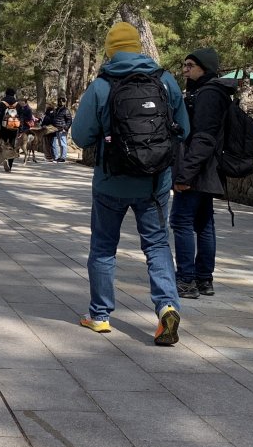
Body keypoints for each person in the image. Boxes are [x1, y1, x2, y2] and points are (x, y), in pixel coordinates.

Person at [70, 22, 189, 344]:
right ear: (139, 47)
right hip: (154, 183)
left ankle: (100, 316)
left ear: (110, 51)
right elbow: (184, 130)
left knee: (104, 248)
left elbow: (80, 136)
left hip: (111, 182)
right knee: (157, 244)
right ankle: (166, 307)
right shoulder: (164, 81)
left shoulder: (101, 86)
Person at [171, 48, 235, 300]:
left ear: (204, 68)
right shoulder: (212, 92)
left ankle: (187, 280)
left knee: (182, 222)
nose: (185, 70)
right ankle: (204, 279)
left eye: (190, 66)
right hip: (207, 170)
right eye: (184, 65)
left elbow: (204, 139)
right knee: (204, 224)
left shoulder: (208, 94)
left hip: (198, 170)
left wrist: (185, 174)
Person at [0, 89, 21, 172]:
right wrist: (20, 129)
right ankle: (10, 164)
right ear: (14, 94)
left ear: (6, 94)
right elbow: (21, 117)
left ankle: (4, 158)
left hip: (4, 127)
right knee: (12, 145)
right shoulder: (17, 104)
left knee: (3, 144)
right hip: (14, 127)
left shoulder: (2, 103)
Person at [44, 96, 71, 162]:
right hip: (56, 129)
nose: (61, 102)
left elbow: (69, 120)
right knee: (57, 144)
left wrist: (66, 128)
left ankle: (63, 157)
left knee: (63, 143)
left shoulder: (66, 110)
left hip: (62, 129)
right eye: (59, 101)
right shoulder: (56, 110)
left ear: (64, 102)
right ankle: (58, 156)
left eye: (62, 101)